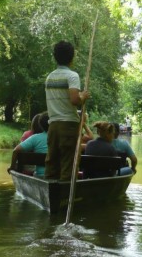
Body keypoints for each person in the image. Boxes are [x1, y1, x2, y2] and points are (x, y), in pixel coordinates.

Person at [45, 40, 90, 181]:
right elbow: (75, 100)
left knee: (52, 162)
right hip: (69, 125)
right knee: (68, 164)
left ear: (55, 57)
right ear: (72, 58)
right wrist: (84, 95)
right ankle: (64, 198)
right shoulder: (72, 76)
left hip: (53, 125)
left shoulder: (49, 77)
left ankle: (50, 194)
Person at [7, 112, 49, 176]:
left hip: (40, 175)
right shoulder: (60, 137)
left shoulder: (35, 137)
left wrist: (12, 167)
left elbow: (15, 151)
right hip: (58, 175)